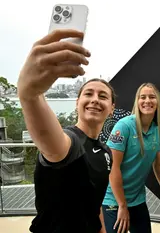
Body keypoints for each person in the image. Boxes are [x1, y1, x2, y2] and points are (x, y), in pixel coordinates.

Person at [17, 29, 115, 233]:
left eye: (103, 96)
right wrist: (30, 94)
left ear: (111, 108)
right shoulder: (70, 140)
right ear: (77, 102)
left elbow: (94, 205)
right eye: (88, 93)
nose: (95, 99)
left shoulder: (106, 152)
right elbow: (54, 147)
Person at [102, 83, 160, 233]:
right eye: (143, 97)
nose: (147, 101)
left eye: (152, 97)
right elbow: (113, 167)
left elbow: (158, 165)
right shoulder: (124, 126)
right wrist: (122, 206)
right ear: (137, 101)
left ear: (158, 102)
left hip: (137, 199)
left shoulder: (158, 130)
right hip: (113, 200)